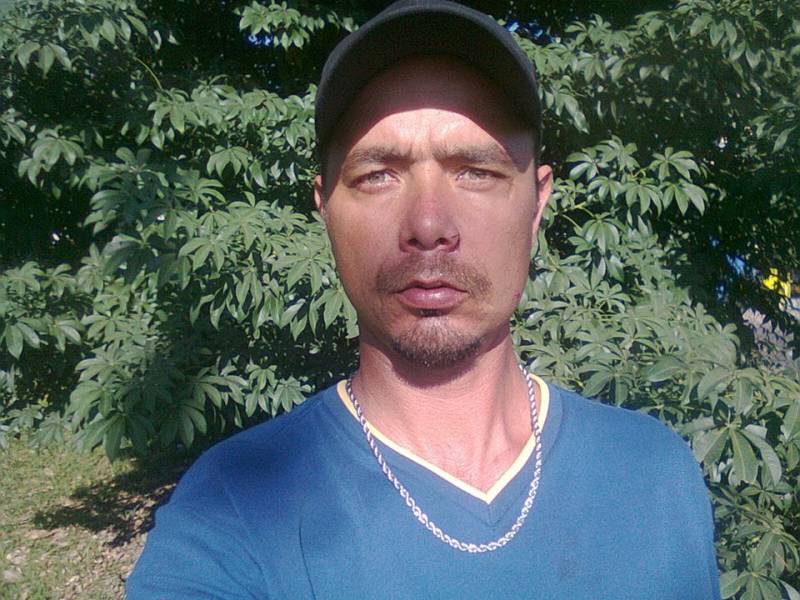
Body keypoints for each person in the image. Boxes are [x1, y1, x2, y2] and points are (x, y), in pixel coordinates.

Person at [127, 1, 721, 598]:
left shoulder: (655, 472)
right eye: (377, 175)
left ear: (537, 203)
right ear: (325, 206)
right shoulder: (234, 513)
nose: (429, 225)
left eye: (476, 172)